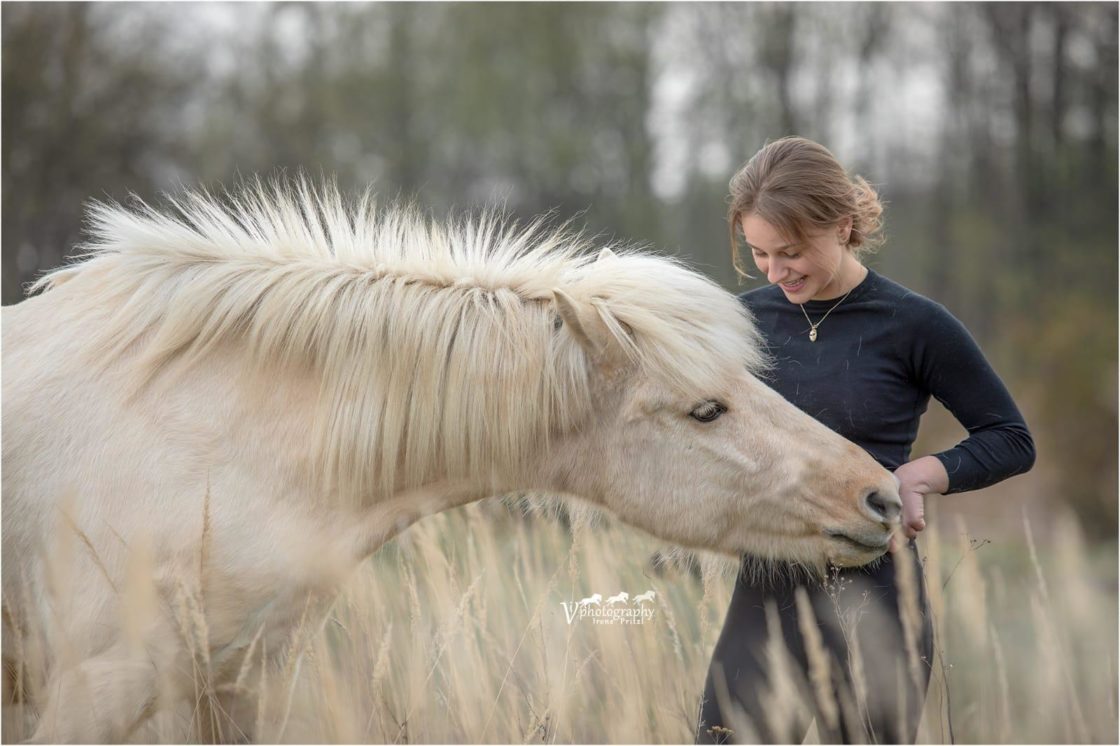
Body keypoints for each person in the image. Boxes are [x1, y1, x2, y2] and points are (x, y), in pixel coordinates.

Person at [695, 137, 1035, 745]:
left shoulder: (914, 324)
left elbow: (1010, 437)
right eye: (760, 254)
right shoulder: (738, 324)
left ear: (843, 225)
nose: (776, 272)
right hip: (765, 596)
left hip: (877, 600)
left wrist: (918, 475)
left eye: (791, 252)